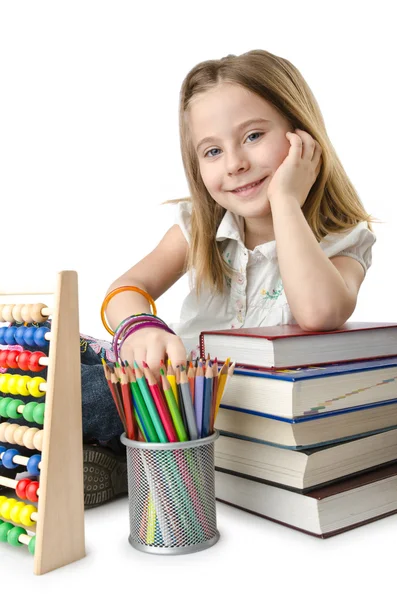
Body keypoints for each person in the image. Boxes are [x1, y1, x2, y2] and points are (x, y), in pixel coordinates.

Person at [87, 49, 377, 506]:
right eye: (213, 151)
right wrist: (140, 325)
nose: (235, 163)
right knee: (58, 363)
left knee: (84, 397)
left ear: (304, 137)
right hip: (168, 400)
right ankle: (126, 464)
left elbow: (321, 313)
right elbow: (125, 290)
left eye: (254, 135)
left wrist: (285, 200)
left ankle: (127, 462)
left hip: (246, 417)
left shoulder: (344, 241)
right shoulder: (196, 227)